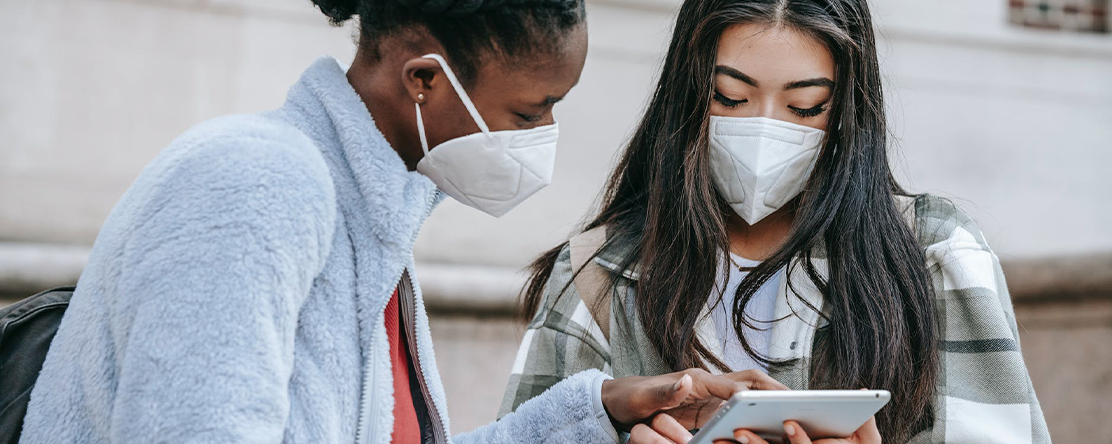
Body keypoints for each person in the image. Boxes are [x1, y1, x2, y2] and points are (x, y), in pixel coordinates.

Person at [19, 0, 782, 442]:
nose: (544, 134)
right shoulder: (253, 183)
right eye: (530, 109)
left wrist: (600, 414)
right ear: (424, 80)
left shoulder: (371, 222)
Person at [503, 0, 1052, 443]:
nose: (765, 132)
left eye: (805, 106)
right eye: (731, 97)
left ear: (845, 111)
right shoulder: (599, 275)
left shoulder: (935, 255)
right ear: (689, 95)